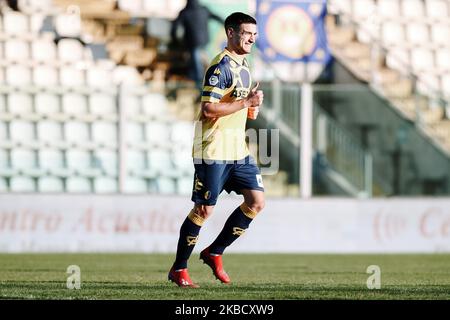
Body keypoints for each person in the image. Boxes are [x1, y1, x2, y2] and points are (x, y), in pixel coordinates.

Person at [168, 12, 264, 288]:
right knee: (204, 210)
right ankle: (179, 269)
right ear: (231, 32)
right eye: (247, 33)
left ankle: (214, 251)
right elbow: (209, 109)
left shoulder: (244, 65)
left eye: (254, 35)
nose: (251, 39)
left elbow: (245, 111)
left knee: (256, 202)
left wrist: (253, 104)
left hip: (237, 149)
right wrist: (245, 103)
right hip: (212, 149)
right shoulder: (220, 67)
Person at [170, 0, 223, 92]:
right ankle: (215, 80)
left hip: (193, 42)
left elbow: (175, 28)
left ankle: (199, 86)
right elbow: (216, 17)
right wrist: (226, 23)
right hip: (205, 41)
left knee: (196, 66)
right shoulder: (203, 10)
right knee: (208, 61)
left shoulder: (185, 12)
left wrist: (176, 42)